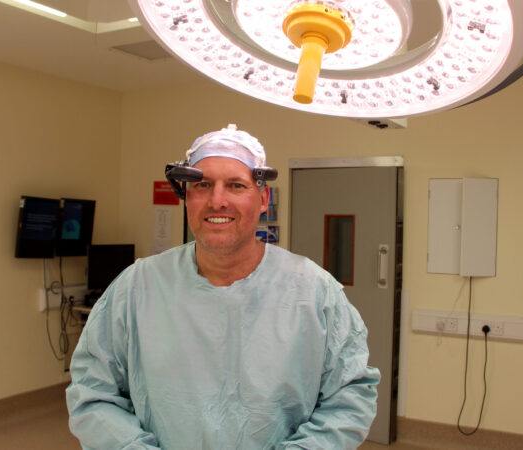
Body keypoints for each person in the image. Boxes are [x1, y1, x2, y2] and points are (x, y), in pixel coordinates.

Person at [66, 124, 380, 449]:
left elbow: (350, 396)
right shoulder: (137, 287)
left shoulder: (314, 291)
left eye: (235, 185)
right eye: (202, 184)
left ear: (262, 198)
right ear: (186, 196)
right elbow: (93, 393)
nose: (218, 201)